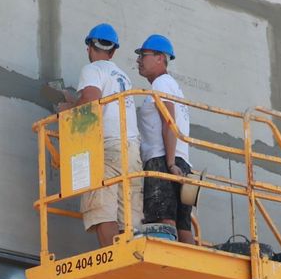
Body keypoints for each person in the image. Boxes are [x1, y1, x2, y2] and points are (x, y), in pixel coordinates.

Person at [59, 23, 141, 247]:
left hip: (107, 147)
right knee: (127, 216)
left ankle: (114, 264)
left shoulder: (93, 70)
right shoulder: (123, 76)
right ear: (113, 51)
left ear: (89, 47)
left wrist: (68, 110)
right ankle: (128, 258)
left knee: (102, 209)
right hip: (132, 151)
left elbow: (91, 103)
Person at [134, 34, 194, 243]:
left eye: (143, 55)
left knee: (163, 218)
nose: (139, 61)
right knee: (183, 223)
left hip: (163, 161)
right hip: (184, 164)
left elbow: (169, 123)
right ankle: (190, 270)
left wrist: (168, 163)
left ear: (160, 58)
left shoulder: (160, 84)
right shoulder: (173, 86)